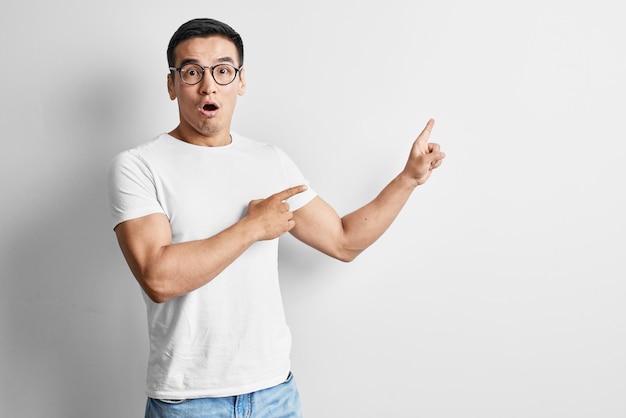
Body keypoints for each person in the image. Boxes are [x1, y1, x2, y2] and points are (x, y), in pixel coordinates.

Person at [107, 17, 445, 418]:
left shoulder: (269, 161)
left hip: (274, 395)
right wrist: (251, 228)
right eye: (192, 71)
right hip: (189, 401)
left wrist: (407, 180)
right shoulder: (139, 166)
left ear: (241, 81)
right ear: (171, 84)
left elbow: (342, 240)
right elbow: (159, 278)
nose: (208, 85)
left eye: (222, 70)